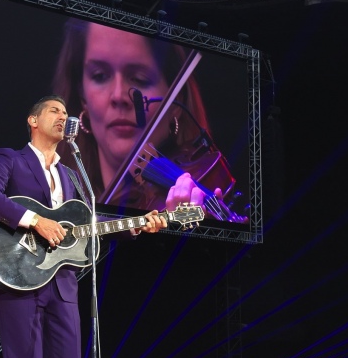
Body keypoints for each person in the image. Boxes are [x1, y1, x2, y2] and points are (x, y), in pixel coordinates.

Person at [0, 95, 199, 358]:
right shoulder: (10, 159)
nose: (62, 116)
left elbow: (89, 222)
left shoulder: (72, 174)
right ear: (33, 121)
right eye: (54, 110)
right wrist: (37, 221)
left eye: (65, 112)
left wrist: (137, 223)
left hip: (61, 281)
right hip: (18, 274)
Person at [52, 19, 238, 218]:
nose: (118, 96)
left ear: (175, 101)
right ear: (83, 99)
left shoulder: (193, 186)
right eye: (100, 76)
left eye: (140, 79)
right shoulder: (51, 204)